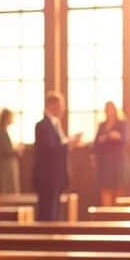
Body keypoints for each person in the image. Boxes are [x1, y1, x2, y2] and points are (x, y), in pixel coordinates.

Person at [33, 92, 80, 221]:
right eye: (61, 105)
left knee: (54, 213)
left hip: (56, 176)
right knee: (47, 215)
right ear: (53, 105)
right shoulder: (42, 125)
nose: (63, 108)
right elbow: (49, 149)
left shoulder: (55, 124)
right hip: (48, 177)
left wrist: (68, 142)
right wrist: (68, 145)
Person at [93, 101, 130, 207]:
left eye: (111, 109)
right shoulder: (102, 125)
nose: (109, 112)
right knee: (105, 188)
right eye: (107, 109)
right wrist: (103, 138)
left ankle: (117, 215)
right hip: (105, 161)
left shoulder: (122, 123)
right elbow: (96, 143)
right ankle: (105, 215)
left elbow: (125, 139)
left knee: (119, 188)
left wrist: (117, 136)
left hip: (118, 161)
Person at [0, 108, 21, 194]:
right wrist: (16, 151)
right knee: (5, 185)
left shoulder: (4, 131)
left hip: (7, 162)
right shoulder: (2, 132)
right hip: (5, 164)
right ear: (7, 118)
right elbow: (6, 150)